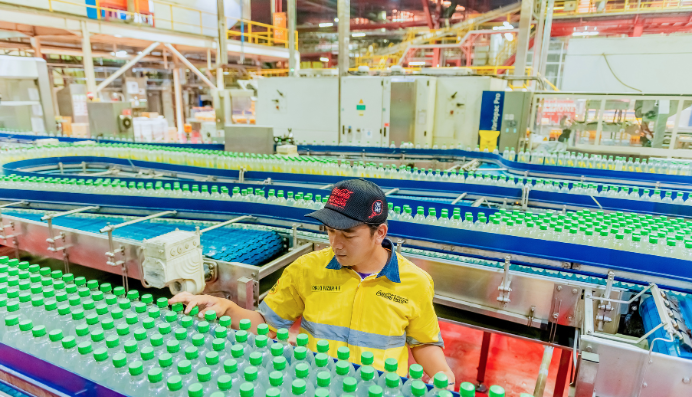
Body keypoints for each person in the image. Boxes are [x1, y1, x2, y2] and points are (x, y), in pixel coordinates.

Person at [170, 179, 455, 388]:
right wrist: (227, 308)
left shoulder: (415, 282)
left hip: (378, 388)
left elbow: (423, 342)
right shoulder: (308, 269)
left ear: (379, 232)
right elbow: (267, 323)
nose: (335, 244)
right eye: (330, 231)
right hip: (313, 384)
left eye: (348, 234)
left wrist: (442, 372)